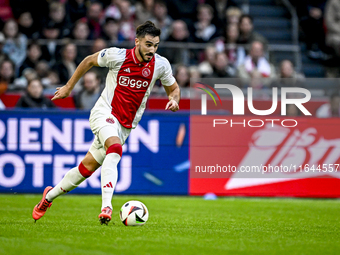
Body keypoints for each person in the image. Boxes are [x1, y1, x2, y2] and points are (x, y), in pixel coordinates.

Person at [32, 21, 180, 225]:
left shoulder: (160, 64)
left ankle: (48, 197)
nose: (152, 50)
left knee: (86, 168)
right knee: (115, 149)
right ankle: (106, 207)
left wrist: (174, 99)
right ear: (136, 42)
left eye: (155, 45)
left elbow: (173, 88)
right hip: (104, 113)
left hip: (126, 125)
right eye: (148, 44)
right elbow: (88, 61)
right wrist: (68, 87)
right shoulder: (117, 56)